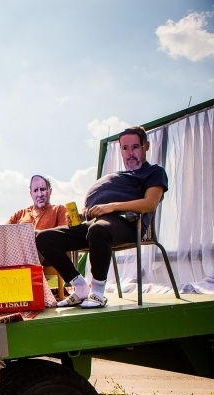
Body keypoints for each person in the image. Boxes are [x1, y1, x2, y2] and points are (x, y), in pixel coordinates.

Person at [35, 126, 168, 308]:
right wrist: (81, 215)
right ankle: (80, 287)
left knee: (98, 229)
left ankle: (97, 292)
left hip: (126, 223)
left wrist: (111, 206)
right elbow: (93, 206)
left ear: (146, 146)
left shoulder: (154, 172)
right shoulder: (118, 175)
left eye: (135, 147)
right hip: (94, 223)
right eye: (125, 148)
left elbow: (150, 203)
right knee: (44, 238)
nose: (130, 153)